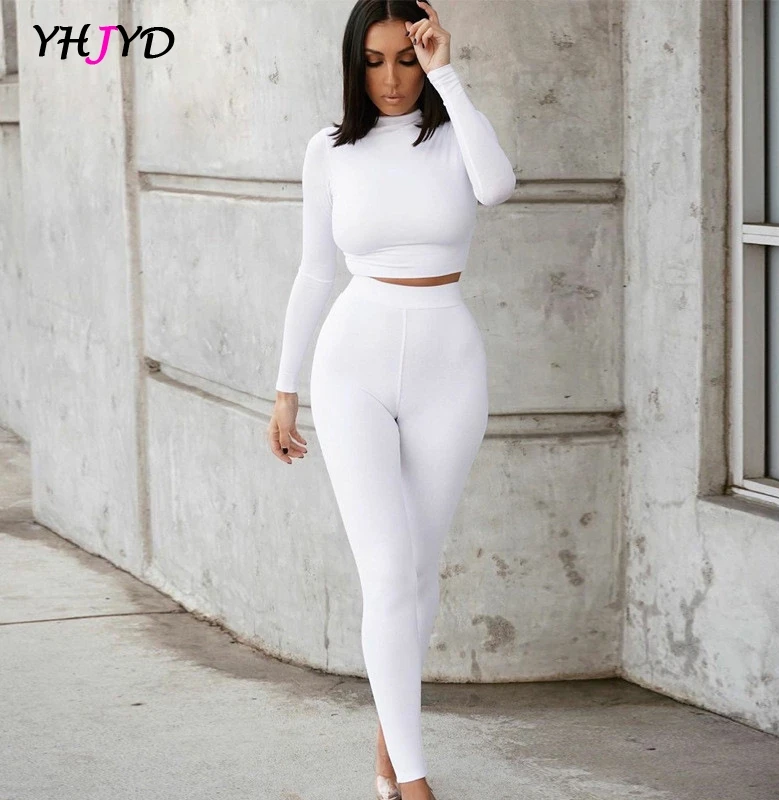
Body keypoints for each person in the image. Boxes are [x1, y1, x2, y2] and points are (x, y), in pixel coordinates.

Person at [267, 1, 515, 797]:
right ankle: (412, 782)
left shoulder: (454, 135)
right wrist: (285, 389)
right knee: (385, 570)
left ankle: (390, 737)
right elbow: (315, 272)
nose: (391, 79)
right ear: (353, 64)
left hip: (450, 364)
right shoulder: (330, 150)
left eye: (406, 59)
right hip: (353, 365)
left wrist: (448, 73)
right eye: (374, 62)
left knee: (418, 568)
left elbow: (498, 187)